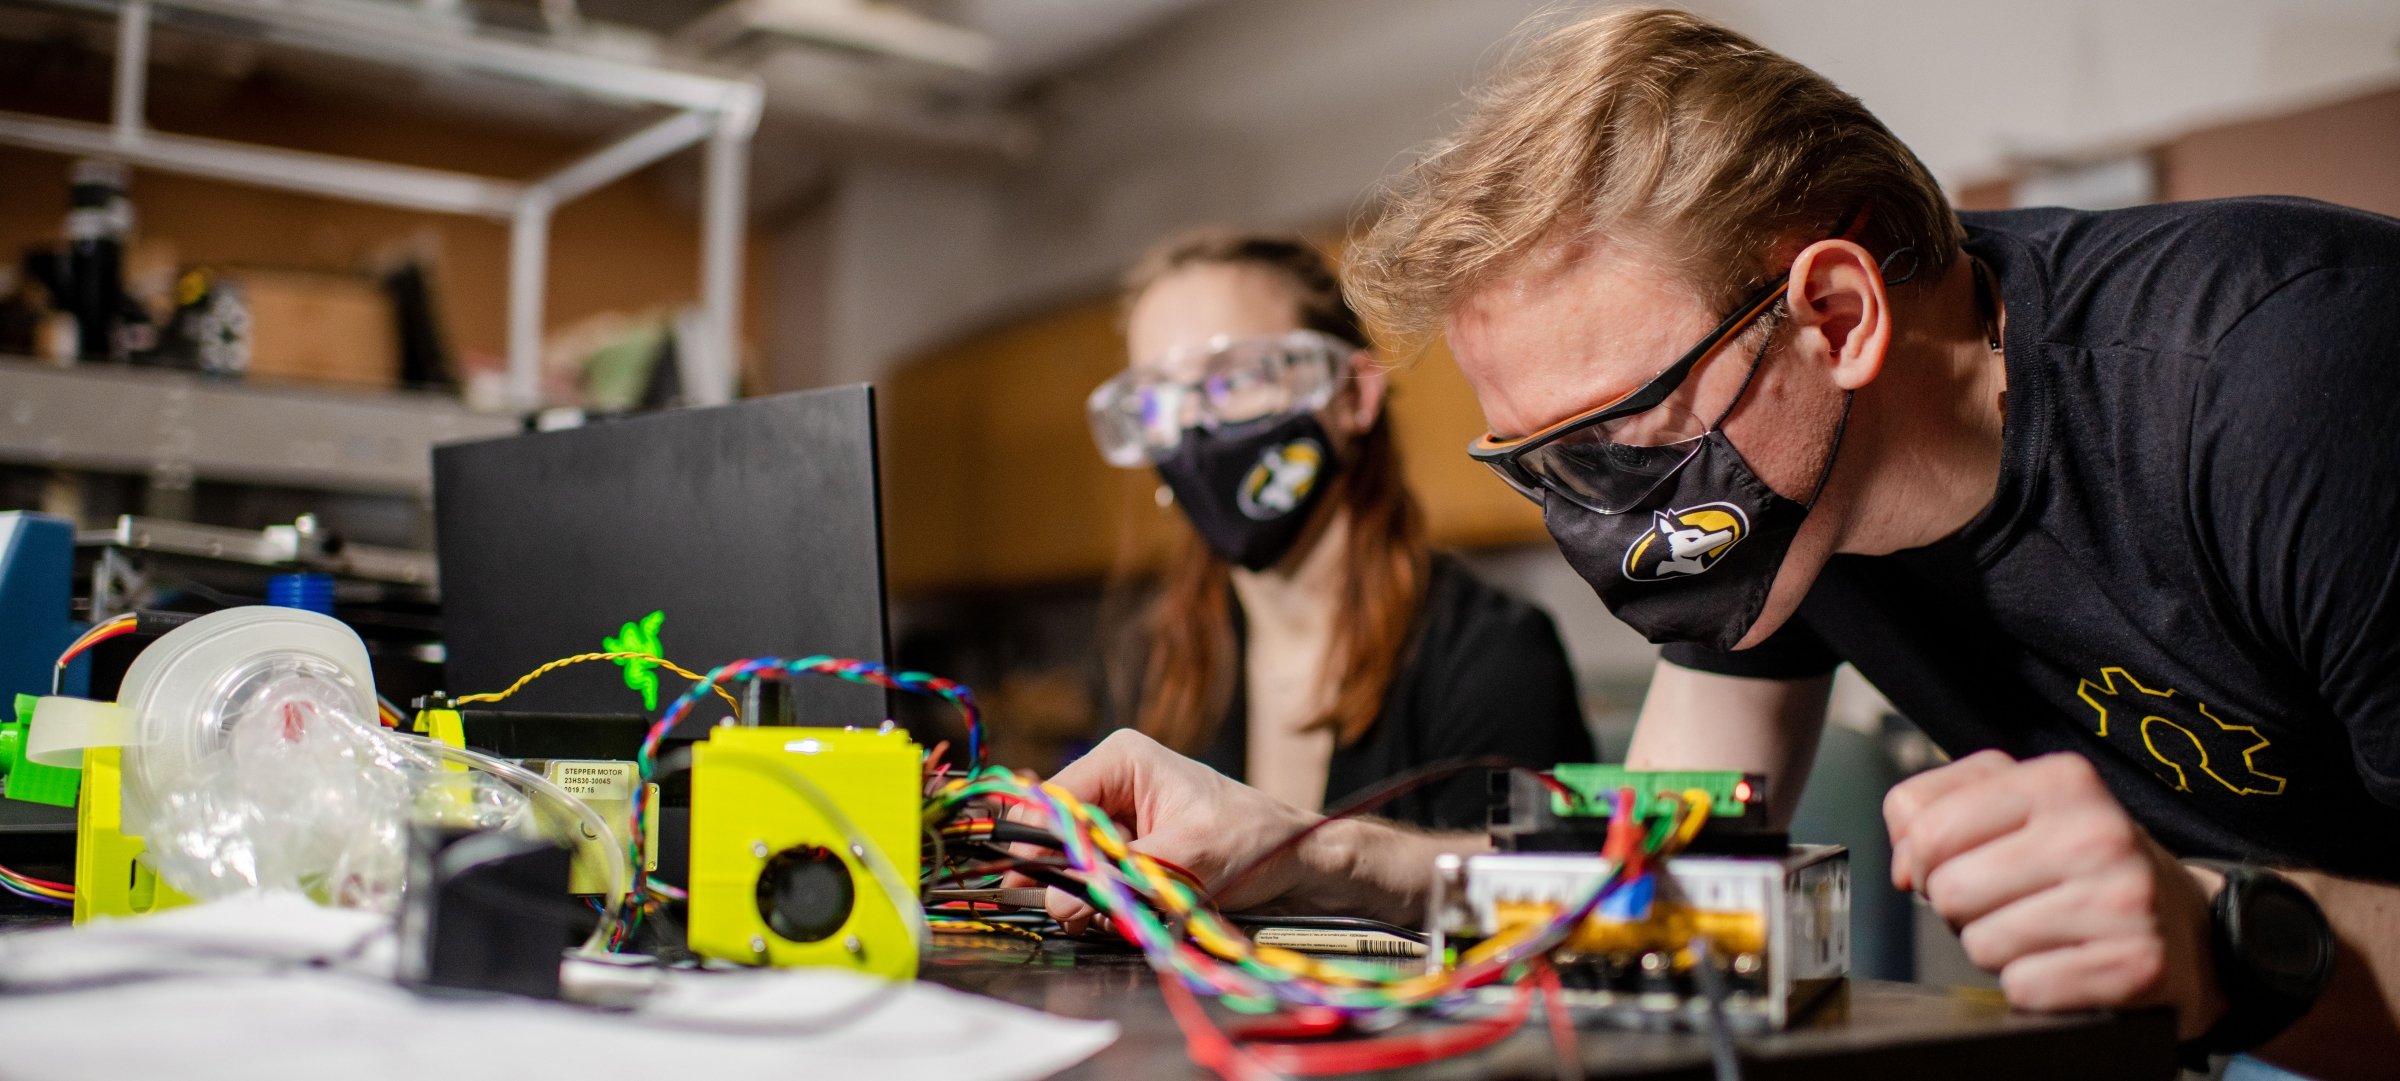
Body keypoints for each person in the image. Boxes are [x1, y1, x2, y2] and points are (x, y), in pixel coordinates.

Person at [1035, 10, 2400, 1078]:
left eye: (1619, 434)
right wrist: (1310, 850)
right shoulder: (1781, 509)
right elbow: (1644, 901)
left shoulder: (2290, 390)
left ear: (1838, 315)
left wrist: (2224, 948)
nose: (1594, 518)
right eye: (1540, 463)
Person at [1083, 229, 1595, 830]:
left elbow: (1520, 898)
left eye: (1240, 378)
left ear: (1355, 397)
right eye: (1159, 400)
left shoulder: (1487, 653)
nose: (1196, 426)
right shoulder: (1155, 661)